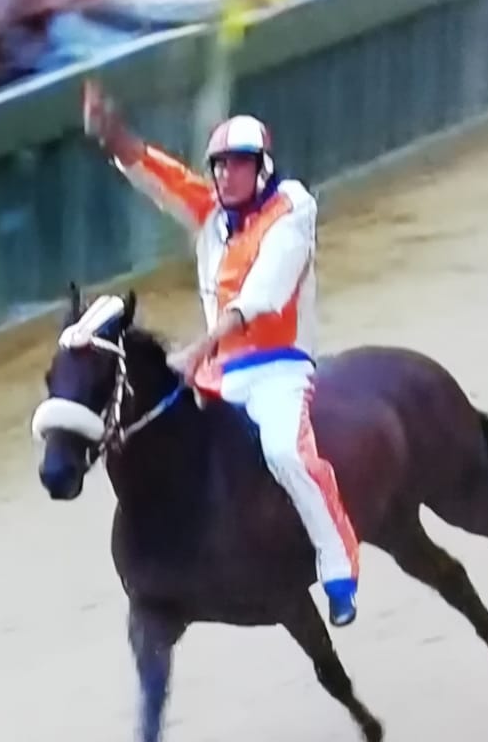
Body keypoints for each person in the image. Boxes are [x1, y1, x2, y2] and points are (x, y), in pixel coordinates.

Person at [81, 80, 361, 627]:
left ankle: (337, 565)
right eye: (219, 166)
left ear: (262, 168)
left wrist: (200, 347)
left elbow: (263, 292)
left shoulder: (293, 210)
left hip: (279, 365)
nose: (225, 176)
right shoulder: (211, 211)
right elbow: (162, 179)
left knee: (285, 452)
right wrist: (113, 135)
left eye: (238, 165)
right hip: (221, 370)